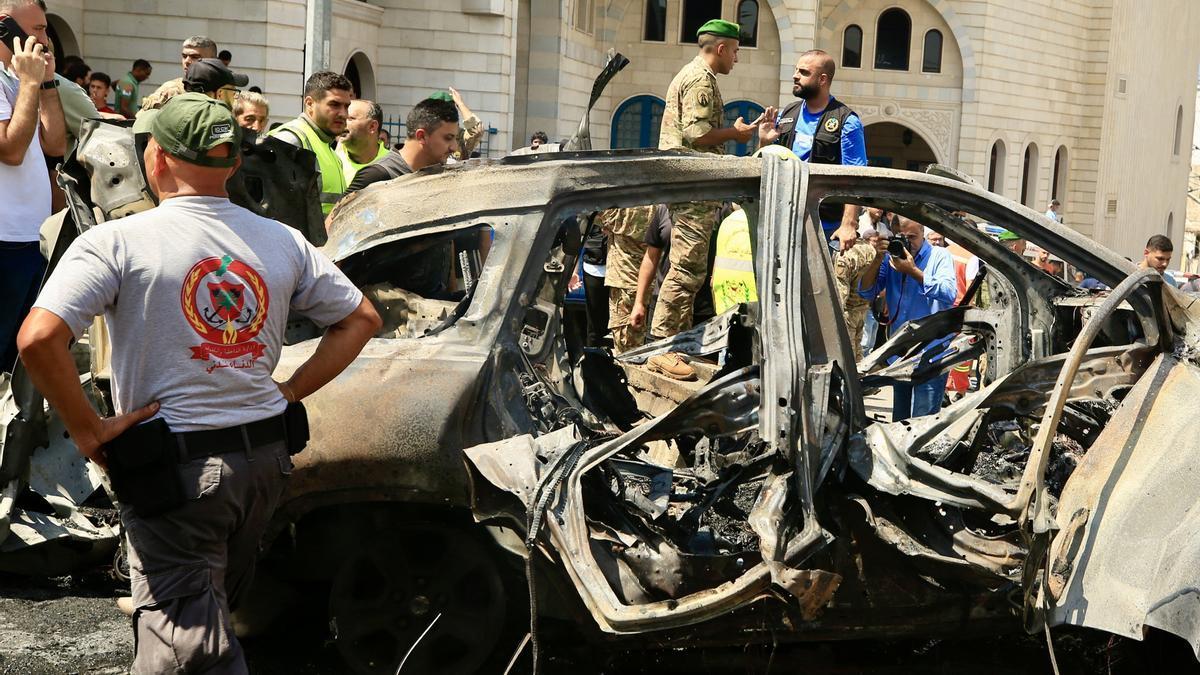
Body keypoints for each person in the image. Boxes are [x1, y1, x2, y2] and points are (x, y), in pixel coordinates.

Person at [16, 93, 381, 673]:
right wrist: (288, 391)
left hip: (177, 471)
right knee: (213, 613)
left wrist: (88, 431)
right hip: (264, 460)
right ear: (233, 164)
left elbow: (38, 339)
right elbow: (361, 319)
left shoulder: (117, 242)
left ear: (155, 157)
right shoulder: (282, 240)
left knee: (187, 651)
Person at [652, 19, 758, 355]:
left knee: (691, 271)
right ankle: (662, 346)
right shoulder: (700, 78)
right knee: (685, 270)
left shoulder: (695, 74)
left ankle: (674, 345)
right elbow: (697, 135)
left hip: (692, 185)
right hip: (694, 187)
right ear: (722, 48)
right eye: (736, 52)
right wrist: (735, 134)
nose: (736, 60)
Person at [0, 0, 65, 373]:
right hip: (4, 241)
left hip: (30, 239)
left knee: (16, 361)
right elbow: (10, 149)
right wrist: (29, 81)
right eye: (38, 29)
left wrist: (47, 83)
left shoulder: (17, 76)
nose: (45, 38)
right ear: (5, 26)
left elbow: (54, 145)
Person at [759, 49, 866, 250]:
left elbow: (856, 177)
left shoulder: (847, 121)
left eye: (804, 72)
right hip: (785, 219)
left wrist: (849, 224)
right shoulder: (788, 113)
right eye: (796, 70)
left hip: (825, 226)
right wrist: (764, 142)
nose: (795, 75)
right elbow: (769, 164)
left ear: (822, 79)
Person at [858, 216, 956, 421]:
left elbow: (948, 293)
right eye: (902, 237)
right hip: (901, 353)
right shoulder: (890, 259)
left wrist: (913, 272)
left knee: (923, 421)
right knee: (900, 421)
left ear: (923, 232)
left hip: (931, 355)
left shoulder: (939, 256)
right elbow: (866, 292)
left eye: (913, 237)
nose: (908, 243)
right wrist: (877, 257)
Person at [267, 70, 353, 215]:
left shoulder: (330, 150)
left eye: (346, 106)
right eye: (334, 105)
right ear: (310, 104)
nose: (344, 114)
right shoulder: (290, 139)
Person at [343, 96, 458, 194]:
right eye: (448, 138)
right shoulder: (377, 175)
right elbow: (335, 219)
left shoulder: (437, 176)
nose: (454, 147)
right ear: (421, 136)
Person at [598, 206, 654, 354]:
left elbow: (597, 212)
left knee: (627, 348)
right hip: (648, 282)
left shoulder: (625, 209)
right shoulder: (658, 206)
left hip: (625, 280)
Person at [140, 36, 217, 113]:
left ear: (213, 60)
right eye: (184, 56)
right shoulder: (171, 89)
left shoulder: (224, 90)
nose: (186, 61)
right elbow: (142, 120)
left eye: (195, 57)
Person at [335, 98, 388, 184]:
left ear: (372, 126)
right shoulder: (332, 160)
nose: (342, 122)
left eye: (350, 118)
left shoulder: (391, 164)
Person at [182, 57, 247, 108]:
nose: (236, 98)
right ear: (219, 94)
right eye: (234, 92)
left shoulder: (174, 110)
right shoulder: (221, 120)